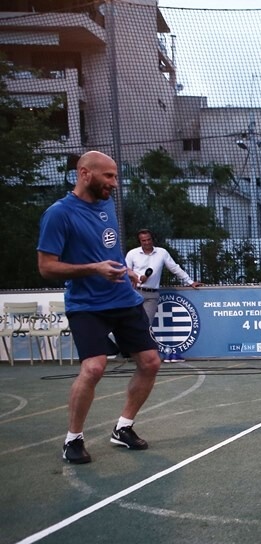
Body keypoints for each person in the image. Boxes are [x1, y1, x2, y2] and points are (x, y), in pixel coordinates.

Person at [36, 150, 162, 465]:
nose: (114, 183)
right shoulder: (58, 214)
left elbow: (109, 249)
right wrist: (95, 269)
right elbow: (47, 267)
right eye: (108, 176)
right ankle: (73, 439)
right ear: (84, 174)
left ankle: (123, 427)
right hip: (86, 304)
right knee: (93, 368)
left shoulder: (106, 205)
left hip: (122, 298)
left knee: (150, 363)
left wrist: (125, 269)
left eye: (115, 176)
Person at [125, 228, 202, 363]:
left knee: (145, 325)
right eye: (144, 240)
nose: (147, 242)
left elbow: (174, 267)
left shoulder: (161, 252)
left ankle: (147, 355)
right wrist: (136, 278)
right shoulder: (132, 254)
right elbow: (125, 271)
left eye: (149, 239)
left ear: (152, 239)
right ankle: (133, 353)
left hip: (152, 294)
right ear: (140, 241)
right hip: (134, 293)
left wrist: (190, 281)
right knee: (132, 324)